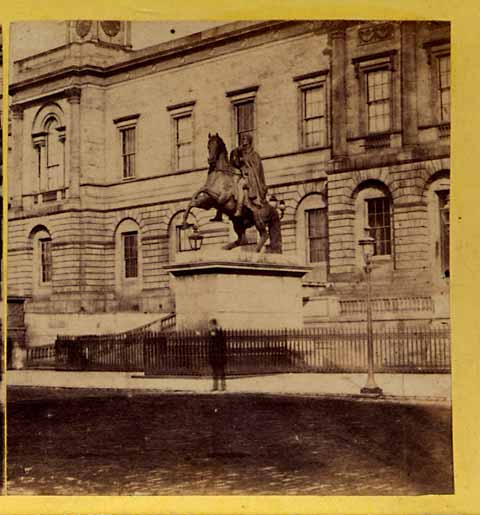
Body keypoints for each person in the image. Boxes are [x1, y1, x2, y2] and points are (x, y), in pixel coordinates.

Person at [230, 133, 268, 216]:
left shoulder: (254, 155)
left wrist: (245, 164)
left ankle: (239, 209)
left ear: (249, 141)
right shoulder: (241, 153)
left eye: (245, 139)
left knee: (240, 185)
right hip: (241, 175)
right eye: (242, 139)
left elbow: (257, 169)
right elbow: (235, 162)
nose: (243, 140)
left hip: (251, 178)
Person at [207, 318, 227, 392]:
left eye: (211, 325)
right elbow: (210, 345)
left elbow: (223, 345)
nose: (210, 327)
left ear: (215, 325)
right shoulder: (210, 333)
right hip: (213, 356)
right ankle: (215, 386)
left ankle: (223, 386)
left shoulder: (220, 333)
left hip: (220, 355)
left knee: (221, 371)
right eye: (210, 325)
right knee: (214, 371)